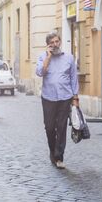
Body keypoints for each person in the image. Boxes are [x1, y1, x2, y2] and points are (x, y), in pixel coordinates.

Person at [36, 32, 79, 169]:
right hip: (48, 97)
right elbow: (40, 73)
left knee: (61, 127)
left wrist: (75, 97)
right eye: (52, 42)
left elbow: (73, 78)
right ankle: (52, 151)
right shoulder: (43, 57)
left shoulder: (69, 58)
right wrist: (48, 57)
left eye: (57, 41)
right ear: (48, 44)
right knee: (49, 127)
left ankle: (59, 157)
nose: (55, 45)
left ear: (60, 42)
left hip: (65, 97)